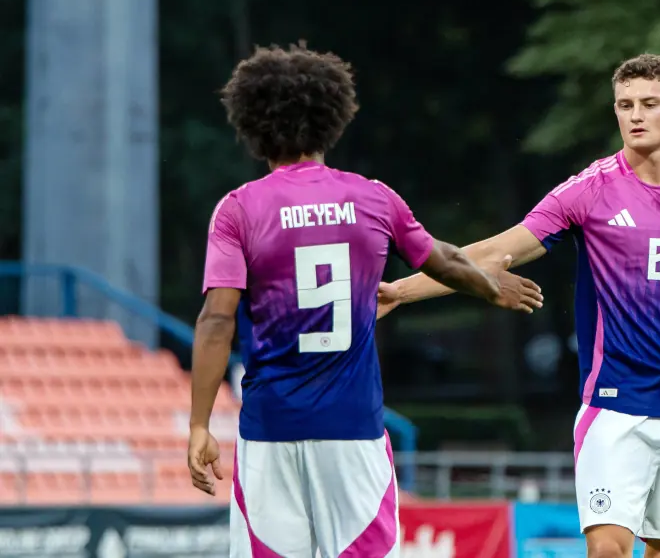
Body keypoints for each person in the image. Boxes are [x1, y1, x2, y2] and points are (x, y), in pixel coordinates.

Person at [377, 53, 660, 558]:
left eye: (649, 104)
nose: (635, 115)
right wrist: (400, 290)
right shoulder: (588, 192)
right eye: (624, 105)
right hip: (615, 407)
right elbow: (490, 253)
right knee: (608, 549)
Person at [187, 42, 544, 558]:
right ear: (332, 118)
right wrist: (491, 286)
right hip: (352, 429)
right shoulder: (372, 198)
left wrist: (199, 425)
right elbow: (441, 259)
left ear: (253, 123)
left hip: (269, 431)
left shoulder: (239, 210)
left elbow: (216, 321)